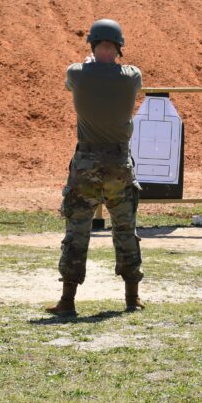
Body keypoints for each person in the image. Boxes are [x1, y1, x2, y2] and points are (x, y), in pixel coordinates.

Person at [46, 19, 145, 317]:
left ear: (91, 43)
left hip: (86, 164)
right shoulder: (131, 76)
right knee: (126, 230)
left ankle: (68, 301)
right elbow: (130, 79)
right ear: (119, 47)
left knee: (77, 232)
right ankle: (132, 298)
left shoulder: (77, 73)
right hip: (119, 164)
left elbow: (71, 81)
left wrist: (90, 65)